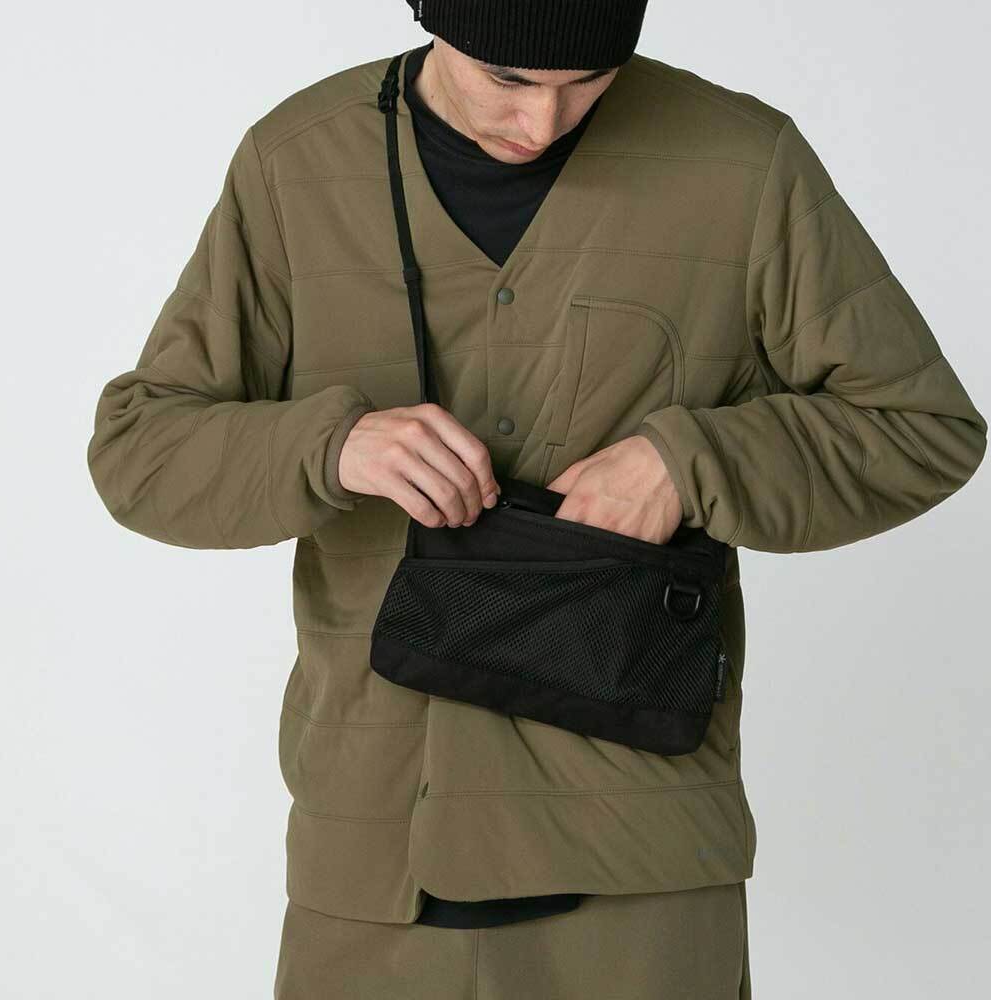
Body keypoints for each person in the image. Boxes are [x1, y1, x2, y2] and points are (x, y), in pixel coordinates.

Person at [85, 1, 987, 997]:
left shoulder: (743, 163)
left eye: (590, 82)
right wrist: (333, 447)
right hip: (375, 856)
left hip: (639, 862)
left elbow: (921, 426)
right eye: (507, 80)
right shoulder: (294, 164)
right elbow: (139, 452)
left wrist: (691, 462)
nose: (542, 122)